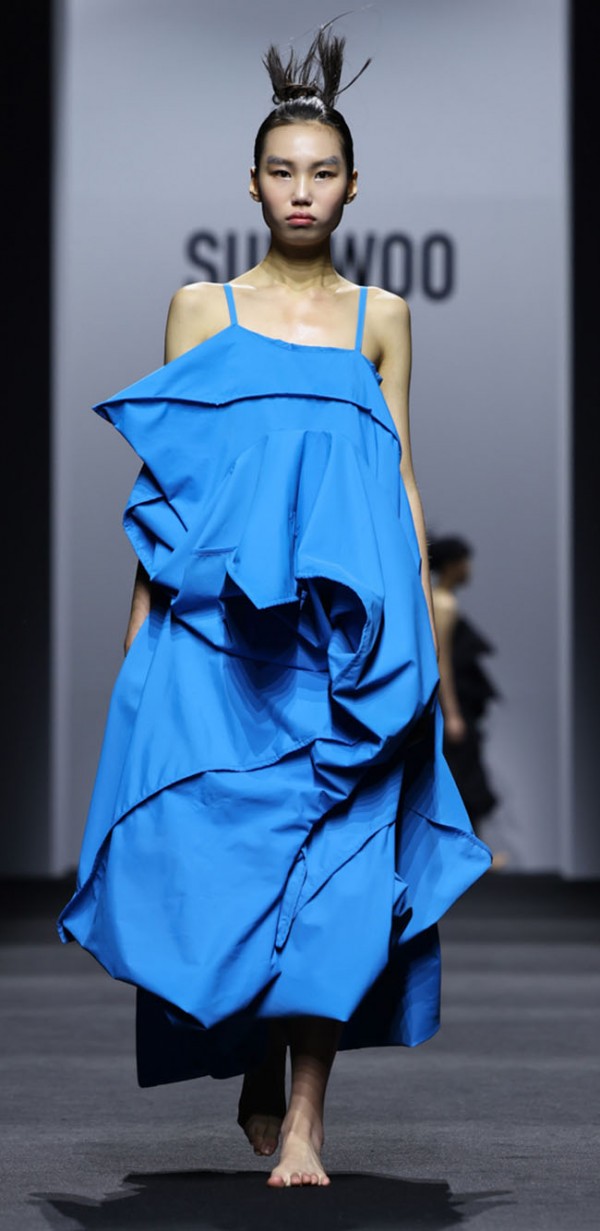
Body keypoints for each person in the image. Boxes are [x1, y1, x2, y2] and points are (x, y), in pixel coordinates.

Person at [58, 26, 492, 1188]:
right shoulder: (201, 310)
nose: (304, 191)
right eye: (283, 171)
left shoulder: (383, 317)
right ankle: (256, 1051)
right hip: (224, 646)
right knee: (227, 862)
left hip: (345, 645)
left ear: (354, 186)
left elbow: (401, 477)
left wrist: (420, 647)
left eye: (323, 172)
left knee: (343, 869)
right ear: (251, 184)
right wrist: (139, 642)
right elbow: (173, 483)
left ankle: (306, 1119)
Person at [429, 535, 501, 838]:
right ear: (451, 565)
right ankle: (469, 847)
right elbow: (441, 659)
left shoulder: (440, 600)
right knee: (462, 774)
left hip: (453, 705)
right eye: (464, 562)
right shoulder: (443, 604)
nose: (468, 568)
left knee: (461, 773)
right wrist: (453, 713)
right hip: (453, 706)